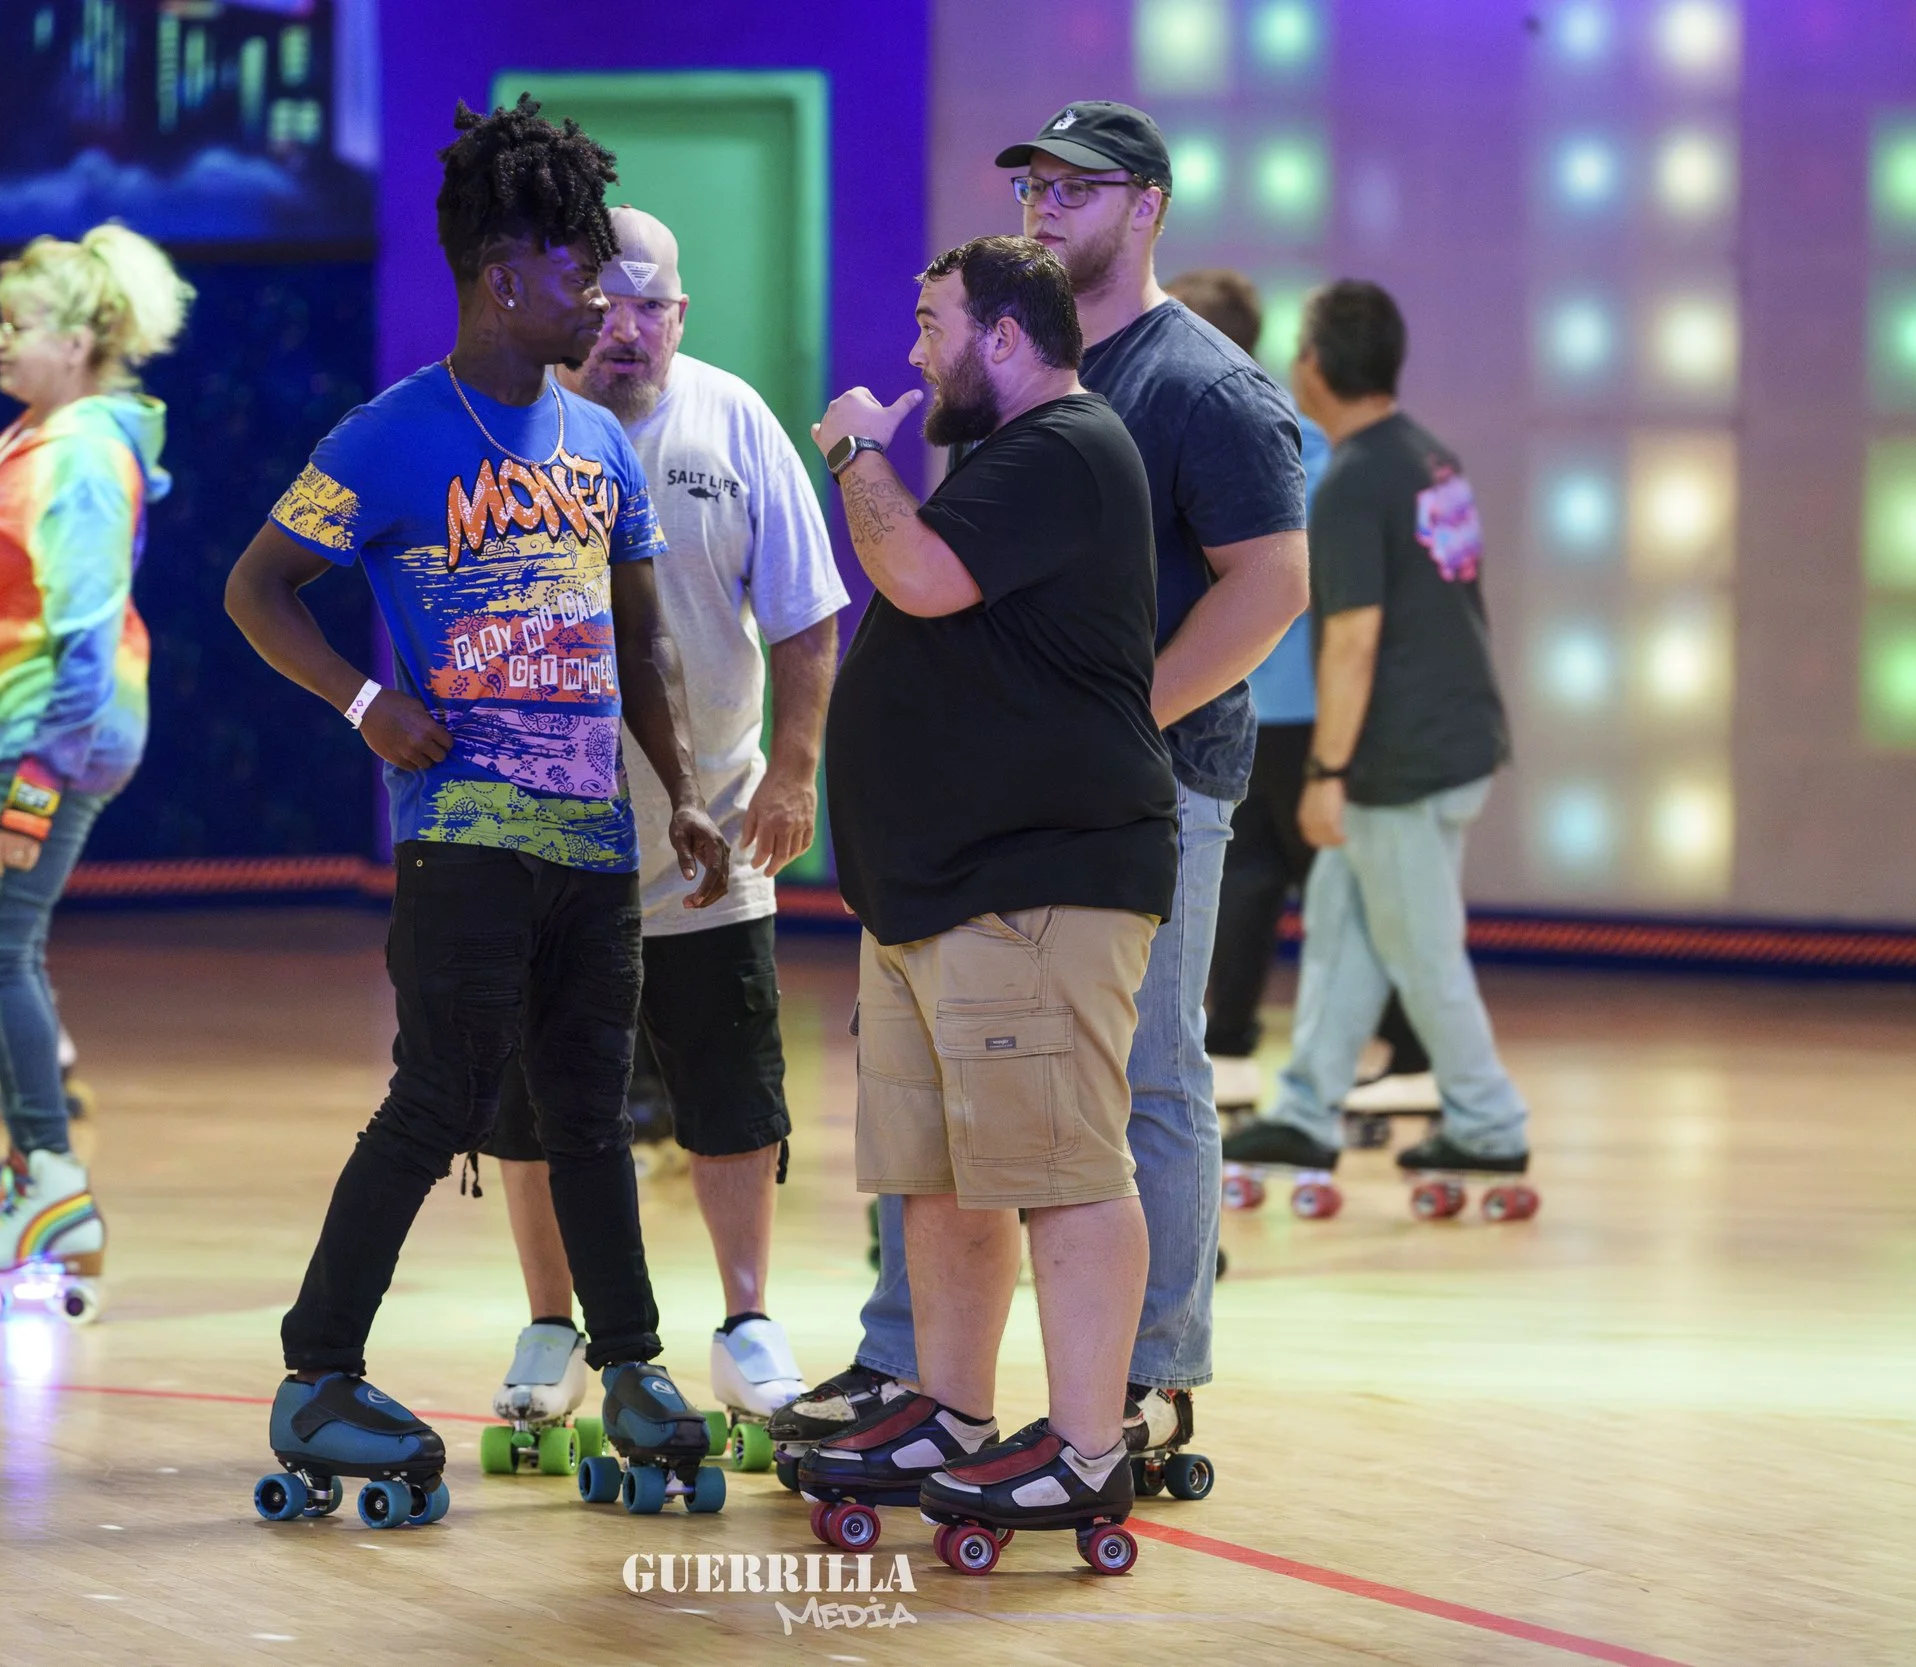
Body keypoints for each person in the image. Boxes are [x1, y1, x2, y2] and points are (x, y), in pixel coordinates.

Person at [783, 103, 1309, 1496]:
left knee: (1142, 1085)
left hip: (1144, 786)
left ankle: (1133, 1387)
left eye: (1077, 186)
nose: (1044, 203)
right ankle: (926, 1375)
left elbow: (1271, 585)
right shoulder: (1010, 375)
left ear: (1147, 206)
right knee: (963, 1109)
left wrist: (1124, 718)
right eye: (1030, 184)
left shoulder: (1200, 385)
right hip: (997, 819)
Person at [224, 98, 734, 1516]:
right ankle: (318, 1370)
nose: (603, 299)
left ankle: (629, 1362)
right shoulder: (389, 436)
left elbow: (642, 643)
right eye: (577, 270)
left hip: (597, 841)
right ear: (503, 277)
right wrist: (360, 702)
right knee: (440, 1097)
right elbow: (255, 588)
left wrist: (685, 795)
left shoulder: (600, 444)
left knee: (591, 1110)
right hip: (464, 839)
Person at [791, 234, 1177, 1548]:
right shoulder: (1013, 459)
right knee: (946, 1173)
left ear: (1003, 337)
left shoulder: (1066, 446)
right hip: (941, 894)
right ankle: (953, 1411)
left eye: (931, 325)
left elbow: (914, 573)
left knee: (1062, 1167)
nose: (914, 354)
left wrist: (856, 450)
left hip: (1037, 883)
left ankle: (1086, 1447)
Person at [482, 205, 848, 1453]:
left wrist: (793, 772)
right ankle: (550, 1325)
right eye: (608, 302)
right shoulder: (502, 422)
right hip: (537, 839)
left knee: (732, 1090)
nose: (628, 327)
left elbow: (806, 618)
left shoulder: (734, 421)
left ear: (682, 314)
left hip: (713, 840)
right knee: (534, 1097)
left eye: (653, 304)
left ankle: (746, 1322)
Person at [0, 224, 192, 1306]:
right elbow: (14, 574)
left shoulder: (78, 458)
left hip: (50, 737)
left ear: (73, 340)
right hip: (29, 728)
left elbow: (85, 634)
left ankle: (51, 1187)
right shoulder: (42, 433)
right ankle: (40, 1181)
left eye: (16, 322)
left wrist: (40, 779)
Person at [1219, 280, 1534, 1192]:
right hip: (1453, 734)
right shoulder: (1429, 458)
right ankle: (1304, 1109)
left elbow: (1353, 640)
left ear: (1314, 367)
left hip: (1400, 760)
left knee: (1418, 945)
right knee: (1343, 926)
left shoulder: (1353, 482)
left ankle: (1488, 1120)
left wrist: (1327, 771)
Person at [1166, 267, 1429, 1123]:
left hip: (1276, 702)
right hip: (1267, 701)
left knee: (1304, 885)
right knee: (1268, 880)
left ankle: (1401, 1053)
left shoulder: (1244, 438)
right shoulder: (1309, 439)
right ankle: (1240, 1047)